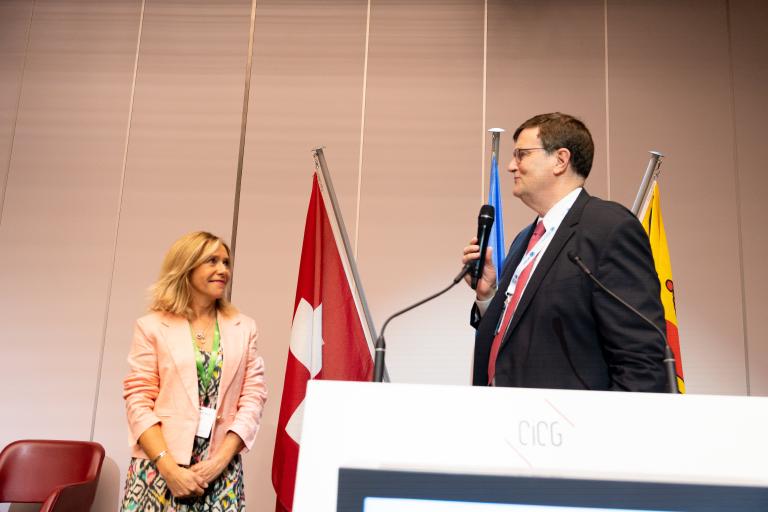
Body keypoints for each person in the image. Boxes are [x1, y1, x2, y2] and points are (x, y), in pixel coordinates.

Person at [462, 112, 666, 391]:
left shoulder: (608, 228)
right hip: (511, 421)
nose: (511, 166)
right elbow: (518, 337)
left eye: (521, 154)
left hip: (572, 426)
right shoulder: (525, 239)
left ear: (560, 160)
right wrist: (488, 297)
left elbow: (640, 356)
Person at [121, 231, 267, 510]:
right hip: (160, 470)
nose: (223, 270)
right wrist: (169, 468)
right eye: (212, 261)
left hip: (219, 471)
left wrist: (220, 462)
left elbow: (253, 398)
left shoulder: (244, 328)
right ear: (186, 267)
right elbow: (138, 401)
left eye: (226, 262)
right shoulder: (151, 326)